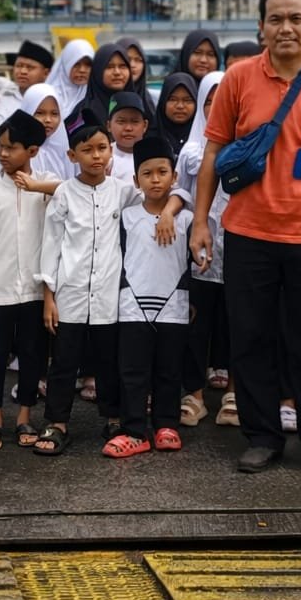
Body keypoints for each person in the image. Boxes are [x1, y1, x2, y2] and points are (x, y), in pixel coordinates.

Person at [190, 0, 301, 480]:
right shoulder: (240, 79)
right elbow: (211, 153)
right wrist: (201, 221)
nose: (285, 28)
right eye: (275, 19)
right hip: (248, 233)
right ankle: (262, 436)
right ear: (261, 28)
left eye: (295, 18)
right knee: (251, 339)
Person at [33, 111, 184, 456]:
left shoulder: (123, 193)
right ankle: (57, 424)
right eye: (88, 150)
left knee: (109, 363)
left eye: (103, 148)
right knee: (64, 363)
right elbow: (51, 247)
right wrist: (49, 296)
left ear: (112, 151)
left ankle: (114, 418)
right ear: (73, 156)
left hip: (109, 298)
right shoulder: (64, 195)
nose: (97, 156)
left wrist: (169, 212)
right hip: (69, 294)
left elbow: (172, 196)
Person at [0, 110, 52, 451]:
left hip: (34, 288)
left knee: (33, 354)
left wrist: (35, 186)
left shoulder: (46, 184)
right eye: (0, 146)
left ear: (31, 151)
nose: (3, 154)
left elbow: (71, 191)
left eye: (11, 147)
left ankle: (25, 416)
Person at [104, 135, 192, 458]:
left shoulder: (186, 218)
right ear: (135, 179)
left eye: (162, 172)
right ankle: (134, 430)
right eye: (147, 173)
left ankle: (167, 425)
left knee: (169, 370)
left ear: (174, 176)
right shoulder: (126, 217)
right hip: (132, 308)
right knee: (133, 371)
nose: (155, 179)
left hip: (174, 309)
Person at [176, 71, 235, 427]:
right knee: (196, 324)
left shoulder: (247, 144)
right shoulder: (192, 150)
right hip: (200, 252)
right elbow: (180, 195)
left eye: (223, 101)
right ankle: (194, 394)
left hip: (240, 247)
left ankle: (235, 394)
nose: (216, 108)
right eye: (210, 102)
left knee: (239, 325)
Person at [0, 40, 54, 162]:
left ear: (46, 73)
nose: (22, 71)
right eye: (19, 66)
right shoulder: (3, 101)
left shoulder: (53, 102)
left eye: (30, 67)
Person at [66, 43, 134, 128]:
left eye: (122, 66)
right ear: (98, 71)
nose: (117, 72)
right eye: (109, 67)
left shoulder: (138, 104)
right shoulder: (84, 112)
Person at [19, 82, 73, 180]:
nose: (48, 120)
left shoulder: (67, 149)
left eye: (54, 114)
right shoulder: (15, 149)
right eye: (39, 113)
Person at [107, 92, 150, 182]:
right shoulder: (103, 157)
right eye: (121, 122)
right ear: (109, 126)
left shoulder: (155, 155)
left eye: (135, 122)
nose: (128, 128)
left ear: (145, 125)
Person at [47, 38, 94, 120]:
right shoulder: (50, 94)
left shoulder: (95, 95)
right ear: (66, 64)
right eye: (76, 64)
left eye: (88, 64)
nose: (82, 70)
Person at [116, 36, 158, 123]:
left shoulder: (154, 101)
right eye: (128, 59)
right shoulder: (101, 101)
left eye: (138, 60)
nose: (133, 65)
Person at [155, 73, 199, 156]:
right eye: (173, 99)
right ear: (163, 102)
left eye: (187, 100)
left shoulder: (204, 139)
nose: (180, 106)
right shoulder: (149, 138)